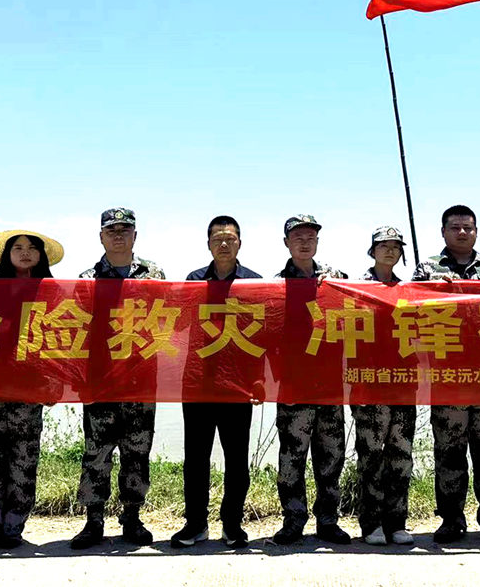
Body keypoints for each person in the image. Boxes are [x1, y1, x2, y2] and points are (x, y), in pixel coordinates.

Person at [411, 204, 480, 544]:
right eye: (455, 227)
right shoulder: (428, 269)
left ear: (476, 232)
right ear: (443, 232)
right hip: (447, 376)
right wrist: (432, 290)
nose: (462, 232)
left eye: (468, 227)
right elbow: (406, 308)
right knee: (449, 451)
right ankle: (451, 519)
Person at [71, 207, 165, 549]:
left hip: (140, 380)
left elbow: (169, 319)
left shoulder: (155, 275)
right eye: (112, 230)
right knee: (96, 453)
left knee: (137, 452)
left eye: (125, 230)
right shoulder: (86, 279)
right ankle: (93, 521)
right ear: (101, 237)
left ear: (135, 236)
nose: (119, 236)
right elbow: (75, 329)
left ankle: (132, 518)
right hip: (100, 380)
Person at [0, 229, 64, 551]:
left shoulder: (51, 291)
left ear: (41, 255)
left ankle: (13, 528)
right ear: (7, 254)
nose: (25, 252)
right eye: (18, 247)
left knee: (24, 459)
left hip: (29, 389)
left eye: (32, 248)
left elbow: (60, 340)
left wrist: (55, 381)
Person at [171, 215, 262, 550]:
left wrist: (259, 381)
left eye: (230, 238)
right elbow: (178, 327)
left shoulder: (255, 284)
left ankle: (232, 524)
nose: (224, 244)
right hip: (198, 381)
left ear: (240, 243)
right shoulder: (194, 281)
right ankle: (195, 524)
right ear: (208, 244)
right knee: (195, 458)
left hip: (238, 385)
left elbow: (265, 336)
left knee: (236, 459)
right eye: (217, 238)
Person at [272, 214, 351, 545]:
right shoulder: (274, 286)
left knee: (331, 456)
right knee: (291, 457)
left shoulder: (336, 280)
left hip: (330, 384)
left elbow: (364, 313)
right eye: (298, 238)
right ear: (286, 243)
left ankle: (328, 521)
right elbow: (266, 336)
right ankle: (293, 519)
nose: (305, 243)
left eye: (311, 238)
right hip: (293, 385)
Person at [354, 226, 416, 546]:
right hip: (369, 383)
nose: (390, 250)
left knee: (401, 455)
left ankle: (397, 521)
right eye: (383, 245)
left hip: (403, 383)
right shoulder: (356, 288)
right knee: (371, 456)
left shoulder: (411, 290)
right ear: (372, 251)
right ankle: (371, 523)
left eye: (396, 246)